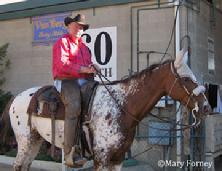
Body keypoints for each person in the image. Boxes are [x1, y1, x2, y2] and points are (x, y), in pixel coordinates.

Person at [52, 14, 97, 168]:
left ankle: (90, 145)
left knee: (99, 99)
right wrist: (83, 68)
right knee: (74, 105)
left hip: (84, 81)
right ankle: (69, 152)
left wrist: (93, 67)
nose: (80, 29)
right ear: (68, 26)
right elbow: (62, 65)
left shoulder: (84, 48)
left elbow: (89, 65)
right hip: (66, 80)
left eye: (82, 27)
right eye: (77, 25)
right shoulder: (62, 42)